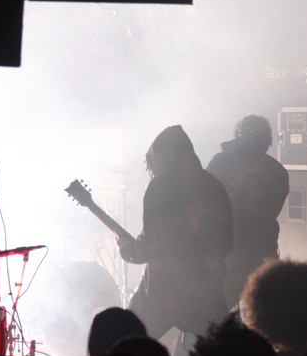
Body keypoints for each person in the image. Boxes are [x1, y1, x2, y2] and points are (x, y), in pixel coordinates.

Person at [117, 125, 234, 339]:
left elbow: (152, 246)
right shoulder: (212, 183)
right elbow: (226, 243)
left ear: (159, 158)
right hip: (207, 286)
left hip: (166, 289)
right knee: (224, 347)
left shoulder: (160, 185)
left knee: (127, 340)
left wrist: (128, 250)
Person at [206, 114, 289, 308]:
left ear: (238, 136)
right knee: (260, 312)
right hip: (261, 253)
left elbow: (203, 200)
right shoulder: (277, 171)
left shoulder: (220, 161)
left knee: (220, 312)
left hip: (227, 253)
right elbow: (273, 211)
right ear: (267, 140)